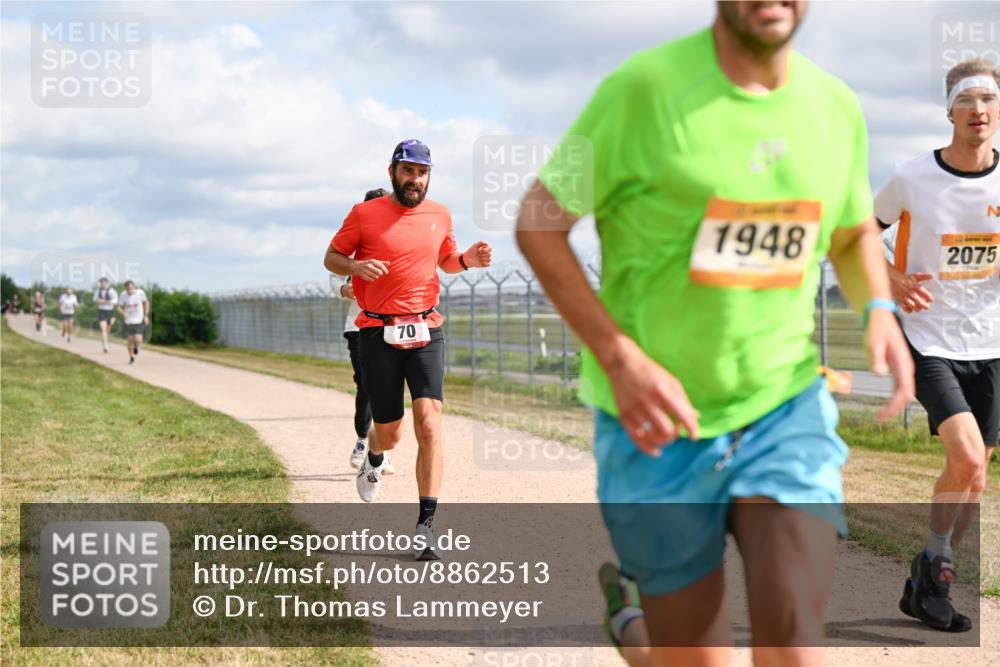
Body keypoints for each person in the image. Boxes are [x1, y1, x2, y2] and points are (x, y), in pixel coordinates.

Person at [516, 2, 914, 664]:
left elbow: (848, 231)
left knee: (793, 640)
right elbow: (539, 220)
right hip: (656, 422)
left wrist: (878, 309)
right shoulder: (640, 91)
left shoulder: (834, 105)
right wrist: (620, 359)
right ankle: (632, 623)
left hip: (781, 405)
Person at [875, 58, 999, 633]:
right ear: (949, 110)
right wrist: (891, 279)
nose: (980, 110)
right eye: (968, 100)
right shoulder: (911, 177)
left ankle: (931, 578)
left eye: (989, 100)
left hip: (991, 343)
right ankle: (932, 568)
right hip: (927, 340)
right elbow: (854, 232)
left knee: (975, 475)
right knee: (967, 457)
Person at [324, 139, 492, 560]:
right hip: (377, 331)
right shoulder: (365, 213)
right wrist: (356, 266)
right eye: (407, 171)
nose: (414, 179)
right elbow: (332, 256)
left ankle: (425, 527)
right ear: (393, 171)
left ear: (428, 176)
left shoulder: (440, 214)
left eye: (422, 173)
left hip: (426, 326)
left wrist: (467, 259)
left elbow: (447, 260)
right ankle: (375, 456)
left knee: (430, 423)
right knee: (391, 432)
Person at [336, 187, 393, 475]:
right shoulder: (354, 239)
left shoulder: (396, 240)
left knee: (387, 387)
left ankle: (379, 446)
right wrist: (344, 287)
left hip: (391, 325)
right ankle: (363, 440)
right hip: (358, 327)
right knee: (368, 385)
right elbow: (335, 274)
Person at [117, 280, 150, 365]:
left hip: (139, 319)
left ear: (135, 288)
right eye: (128, 289)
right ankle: (131, 357)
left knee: (139, 339)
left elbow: (146, 303)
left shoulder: (140, 293)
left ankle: (136, 346)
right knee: (130, 340)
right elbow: (119, 307)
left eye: (131, 289)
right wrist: (123, 313)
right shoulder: (123, 295)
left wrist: (146, 315)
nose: (130, 291)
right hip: (128, 320)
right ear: (125, 289)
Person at [93, 277, 118, 353]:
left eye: (103, 282)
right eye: (100, 282)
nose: (101, 284)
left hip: (110, 312)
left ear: (107, 283)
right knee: (103, 328)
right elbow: (94, 299)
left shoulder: (112, 291)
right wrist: (99, 301)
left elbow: (115, 301)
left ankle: (105, 340)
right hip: (101, 312)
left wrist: (106, 301)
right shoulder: (98, 291)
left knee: (108, 329)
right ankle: (105, 345)